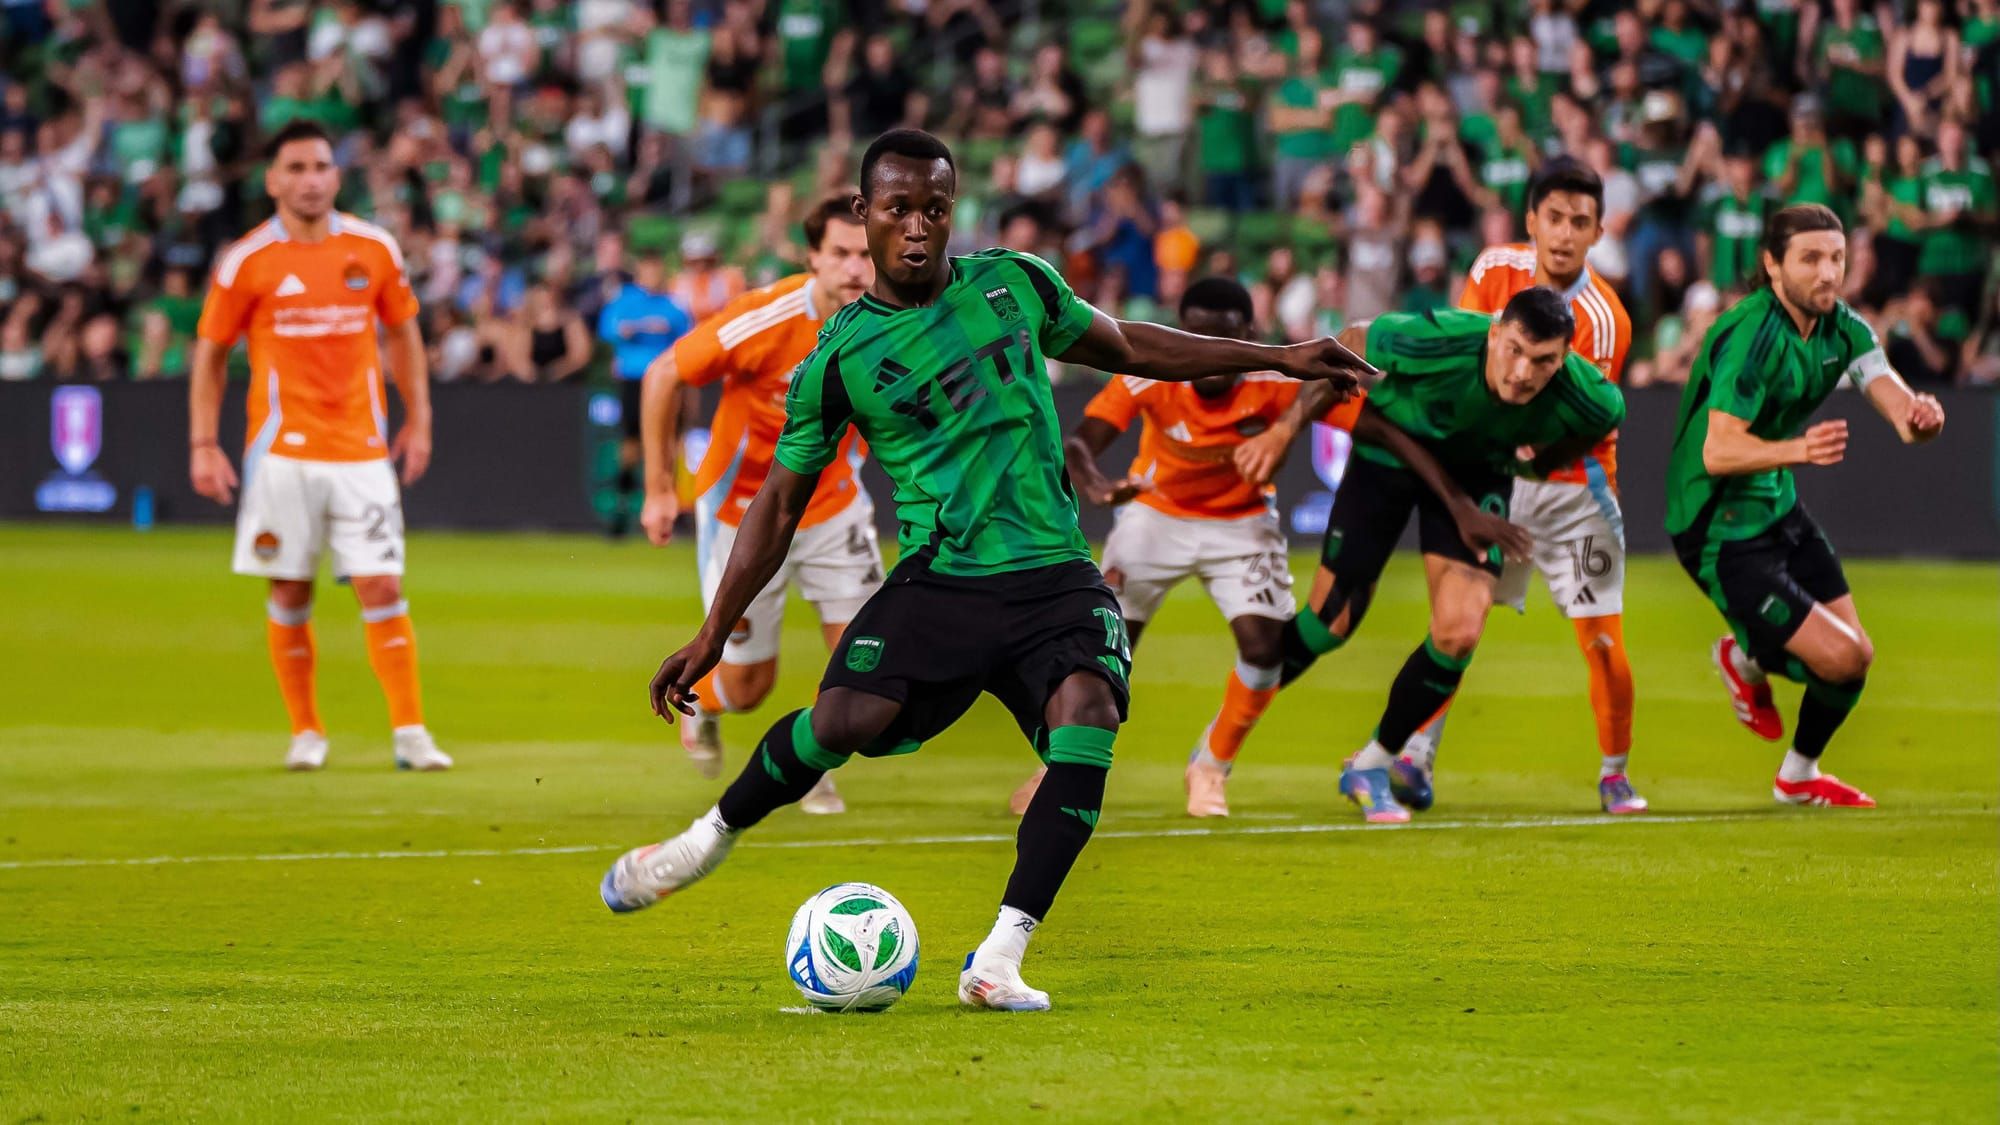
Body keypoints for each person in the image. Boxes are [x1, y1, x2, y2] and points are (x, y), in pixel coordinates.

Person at [599, 129, 1370, 1011]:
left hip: (1055, 575)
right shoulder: (840, 359)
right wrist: (707, 634)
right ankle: (706, 839)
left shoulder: (1016, 283)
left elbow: (1131, 346)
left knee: (1089, 715)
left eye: (936, 207)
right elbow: (776, 503)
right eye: (898, 210)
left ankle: (1000, 956)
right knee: (843, 719)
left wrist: (1279, 354)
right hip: (943, 578)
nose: (919, 227)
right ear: (864, 214)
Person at [1008, 277, 1513, 819]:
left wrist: (1457, 502)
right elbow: (1083, 441)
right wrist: (1097, 482)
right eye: (1196, 335)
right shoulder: (1148, 376)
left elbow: (1383, 432)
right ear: (1183, 333)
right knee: (1104, 646)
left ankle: (1210, 768)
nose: (1213, 356)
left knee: (1265, 647)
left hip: (1241, 521)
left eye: (1221, 338)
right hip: (1155, 516)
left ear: (1244, 335)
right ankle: (1057, 770)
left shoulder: (1274, 382)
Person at [1234, 290, 1623, 824]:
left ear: (1565, 359)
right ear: (1493, 333)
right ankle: (1221, 739)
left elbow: (1587, 432)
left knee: (1461, 629)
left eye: (1544, 362)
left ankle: (1372, 763)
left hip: (1477, 473)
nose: (1523, 373)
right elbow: (1347, 345)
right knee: (1329, 623)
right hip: (1387, 452)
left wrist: (1531, 467)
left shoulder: (1593, 399)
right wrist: (1284, 430)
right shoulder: (1436, 338)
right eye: (1513, 350)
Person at [186, 119, 448, 773]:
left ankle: (411, 731)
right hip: (282, 451)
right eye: (295, 168)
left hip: (361, 448)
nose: (310, 180)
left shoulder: (374, 247)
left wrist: (419, 417)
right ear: (273, 180)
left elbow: (403, 335)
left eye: (321, 167)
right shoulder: (248, 259)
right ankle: (306, 731)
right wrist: (202, 442)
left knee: (382, 583)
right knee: (291, 590)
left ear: (337, 176)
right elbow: (211, 354)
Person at [1667, 204, 1945, 808]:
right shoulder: (1752, 335)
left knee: (1856, 657)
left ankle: (1797, 773)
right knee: (1842, 658)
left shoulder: (1844, 327)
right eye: (1811, 258)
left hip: (1777, 508)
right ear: (1772, 264)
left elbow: (1897, 406)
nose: (1828, 273)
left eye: (1837, 258)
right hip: (1715, 525)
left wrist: (1921, 416)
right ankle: (1749, 660)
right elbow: (1717, 450)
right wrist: (1797, 449)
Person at [1397, 157, 1645, 815]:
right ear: (1531, 219)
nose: (1565, 234)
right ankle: (1415, 756)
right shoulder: (1490, 270)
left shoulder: (1606, 319)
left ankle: (1615, 772)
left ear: (1598, 232)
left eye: (1581, 222)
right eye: (1555, 218)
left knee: (1602, 641)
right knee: (1457, 627)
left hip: (1573, 492)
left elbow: (1574, 418)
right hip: (1497, 478)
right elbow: (1465, 361)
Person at [636, 195, 878, 815]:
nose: (856, 269)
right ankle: (708, 709)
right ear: (813, 258)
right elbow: (663, 374)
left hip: (834, 506)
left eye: (866, 255)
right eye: (841, 254)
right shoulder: (766, 316)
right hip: (742, 514)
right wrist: (661, 488)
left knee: (869, 658)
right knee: (746, 687)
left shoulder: (892, 323)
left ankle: (810, 755)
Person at [598, 252, 694, 538]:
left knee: (669, 444)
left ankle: (673, 509)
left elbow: (686, 341)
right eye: (649, 269)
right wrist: (643, 328)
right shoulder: (624, 301)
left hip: (666, 381)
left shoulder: (672, 305)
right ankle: (622, 506)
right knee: (631, 444)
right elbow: (611, 330)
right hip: (634, 379)